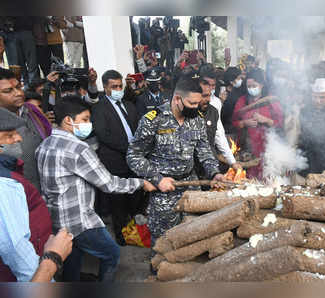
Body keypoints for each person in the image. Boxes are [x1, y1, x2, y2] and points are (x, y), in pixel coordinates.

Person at [35, 96, 156, 282]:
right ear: (68, 120)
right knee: (112, 253)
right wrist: (140, 183)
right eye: (84, 119)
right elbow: (109, 184)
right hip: (79, 220)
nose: (89, 124)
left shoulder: (44, 145)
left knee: (72, 258)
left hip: (57, 218)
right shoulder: (78, 149)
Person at [126, 77, 224, 252]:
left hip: (191, 188)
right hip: (163, 192)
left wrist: (214, 173)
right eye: (191, 103)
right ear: (177, 98)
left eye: (197, 103)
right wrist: (157, 179)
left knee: (193, 235)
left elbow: (204, 151)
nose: (196, 107)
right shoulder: (153, 120)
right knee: (163, 242)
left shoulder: (197, 119)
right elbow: (133, 156)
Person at [0, 107, 71, 282]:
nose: (19, 138)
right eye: (9, 135)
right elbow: (17, 252)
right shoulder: (4, 185)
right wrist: (53, 258)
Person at [91, 70, 143, 245]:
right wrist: (129, 148)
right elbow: (103, 134)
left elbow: (138, 128)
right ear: (105, 88)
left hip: (134, 159)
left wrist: (140, 148)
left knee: (136, 194)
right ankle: (121, 233)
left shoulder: (129, 105)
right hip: (115, 160)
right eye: (114, 87)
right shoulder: (99, 108)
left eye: (120, 86)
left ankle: (136, 228)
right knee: (118, 199)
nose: (118, 89)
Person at [0, 68, 51, 189]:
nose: (18, 93)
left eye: (18, 87)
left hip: (45, 188)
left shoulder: (32, 111)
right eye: (8, 91)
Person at [232, 69, 284, 180]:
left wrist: (265, 120)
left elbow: (280, 125)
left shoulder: (271, 101)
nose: (251, 89)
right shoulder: (242, 101)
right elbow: (234, 122)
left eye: (254, 85)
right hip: (248, 150)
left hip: (268, 148)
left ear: (262, 85)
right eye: (248, 86)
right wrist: (244, 123)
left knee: (267, 179)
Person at [198, 69, 240, 170]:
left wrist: (232, 161)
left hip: (209, 156)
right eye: (207, 84)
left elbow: (219, 133)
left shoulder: (216, 103)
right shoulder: (191, 102)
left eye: (213, 85)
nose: (211, 88)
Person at [221, 66, 246, 137]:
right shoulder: (222, 93)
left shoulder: (242, 91)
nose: (241, 80)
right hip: (227, 129)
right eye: (239, 78)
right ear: (231, 80)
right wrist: (222, 102)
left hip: (239, 127)